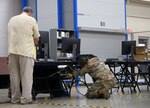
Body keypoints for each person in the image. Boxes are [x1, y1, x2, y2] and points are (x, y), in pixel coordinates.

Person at [8, 6, 40, 104]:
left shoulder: (12, 19)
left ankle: (15, 98)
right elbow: (36, 38)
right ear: (30, 12)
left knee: (14, 76)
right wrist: (34, 44)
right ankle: (26, 99)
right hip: (26, 52)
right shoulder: (31, 20)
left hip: (12, 51)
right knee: (26, 77)